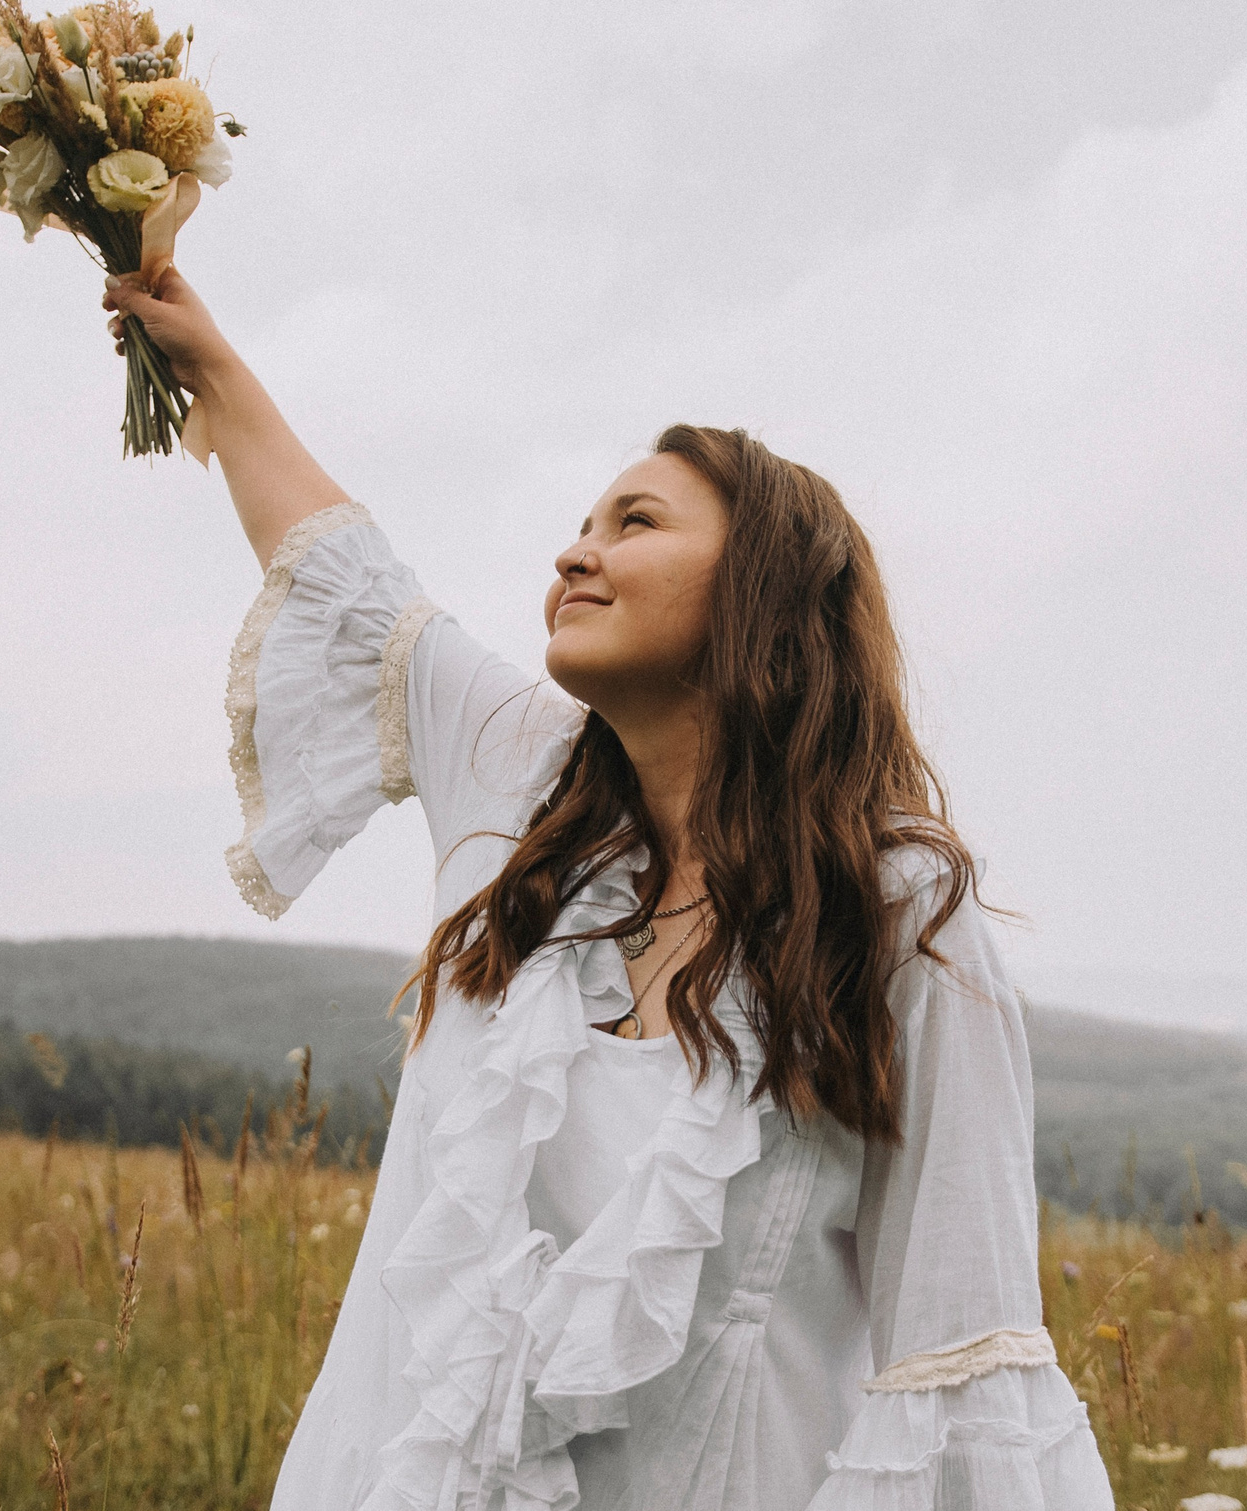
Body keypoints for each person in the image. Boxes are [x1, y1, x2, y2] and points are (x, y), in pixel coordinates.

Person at [106, 267, 1113, 1511]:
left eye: (635, 522)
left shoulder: (899, 911)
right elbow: (345, 574)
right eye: (585, 522)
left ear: (762, 590)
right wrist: (199, 350)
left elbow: (959, 1347)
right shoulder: (518, 784)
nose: (575, 550)